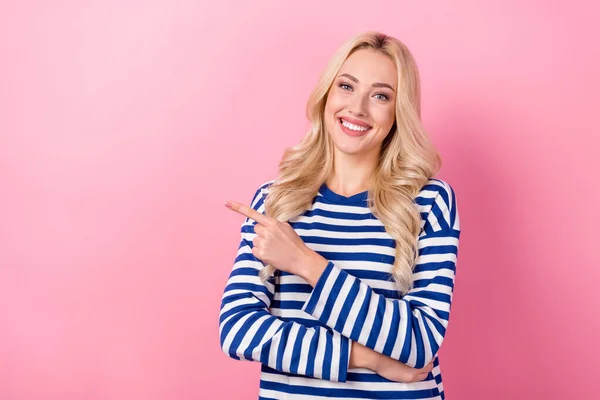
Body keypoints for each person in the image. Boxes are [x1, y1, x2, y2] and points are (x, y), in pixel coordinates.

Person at [219, 31, 461, 400]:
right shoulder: (275, 201)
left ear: (399, 113)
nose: (358, 108)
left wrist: (305, 263)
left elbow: (419, 341)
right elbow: (238, 330)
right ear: (326, 95)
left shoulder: (429, 201)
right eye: (346, 86)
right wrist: (370, 359)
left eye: (380, 96)